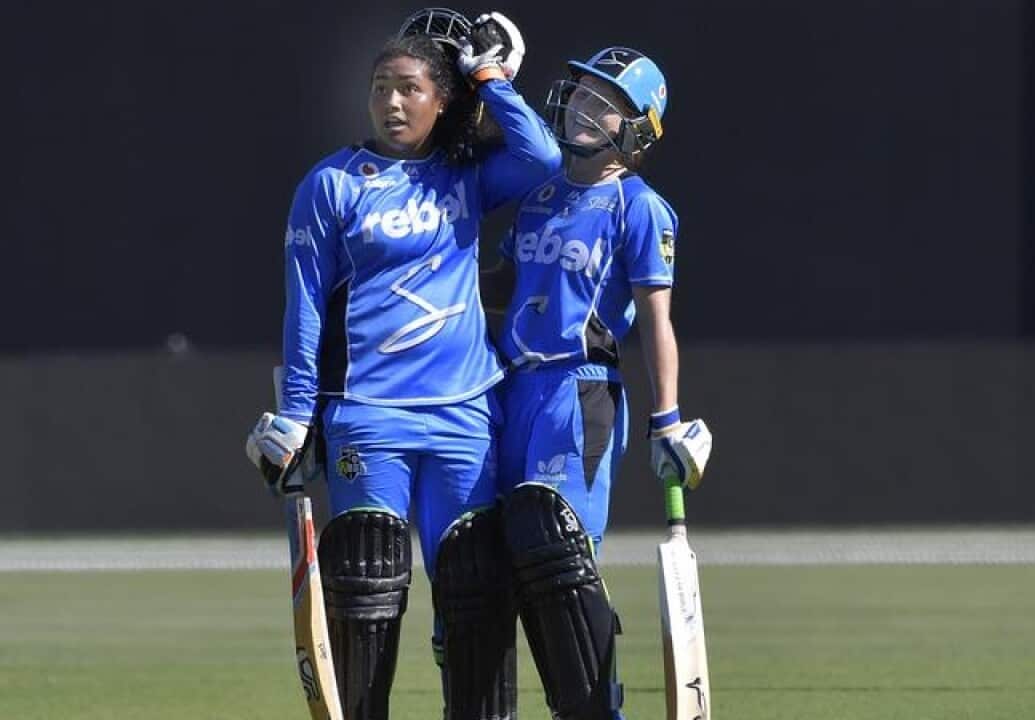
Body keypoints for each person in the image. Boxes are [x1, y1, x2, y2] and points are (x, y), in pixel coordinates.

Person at [244, 9, 559, 719]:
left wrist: (489, 76)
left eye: (410, 88)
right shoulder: (331, 184)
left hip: (464, 413)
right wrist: (297, 417)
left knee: (475, 596)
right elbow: (305, 312)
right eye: (381, 87)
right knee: (367, 594)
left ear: (441, 100)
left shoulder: (466, 177)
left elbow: (540, 157)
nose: (391, 102)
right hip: (368, 418)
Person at [480, 47, 712, 719]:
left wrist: (666, 419)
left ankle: (593, 709)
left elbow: (658, 322)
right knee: (498, 568)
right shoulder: (539, 195)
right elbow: (501, 287)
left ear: (638, 126)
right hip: (506, 392)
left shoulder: (640, 208)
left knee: (558, 560)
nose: (582, 104)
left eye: (603, 100)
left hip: (579, 395)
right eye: (581, 90)